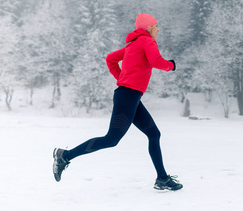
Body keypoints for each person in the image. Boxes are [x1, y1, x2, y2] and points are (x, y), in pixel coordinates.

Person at [52, 13, 183, 191]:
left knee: (154, 134)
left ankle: (162, 178)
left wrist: (122, 77)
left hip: (130, 96)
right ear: (148, 28)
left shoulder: (133, 45)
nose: (158, 29)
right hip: (128, 96)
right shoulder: (147, 41)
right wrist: (171, 65)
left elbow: (110, 59)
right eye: (156, 26)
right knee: (112, 139)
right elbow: (156, 61)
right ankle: (65, 156)